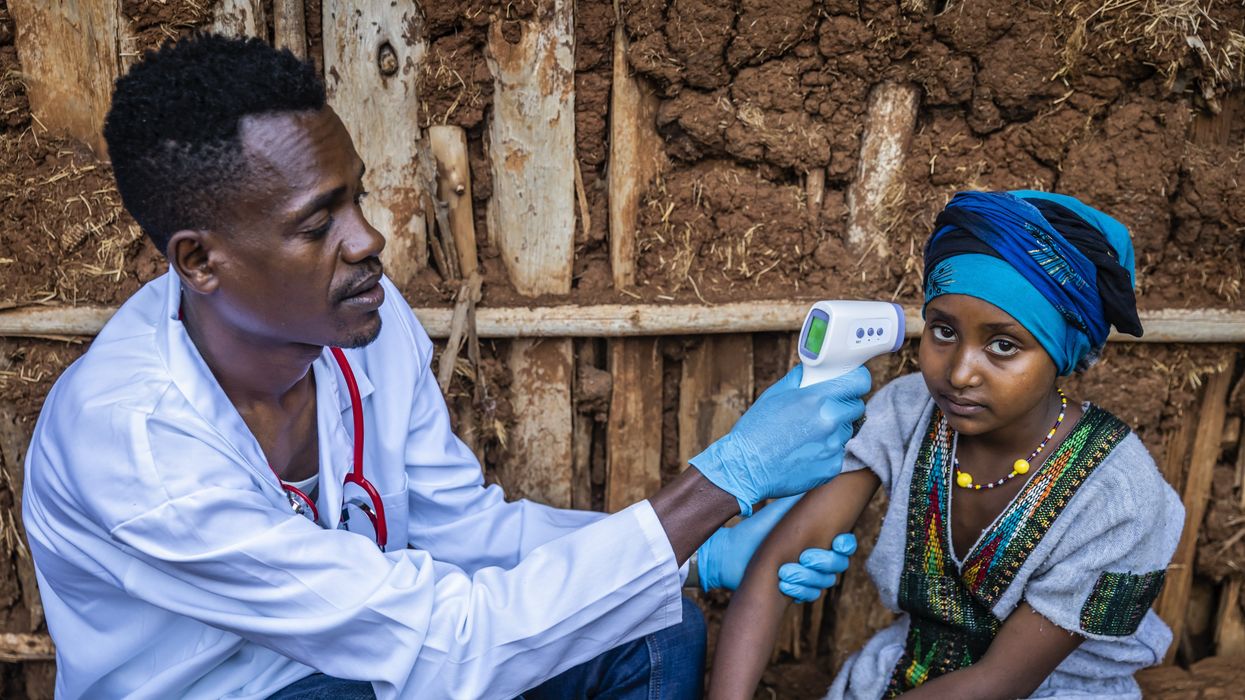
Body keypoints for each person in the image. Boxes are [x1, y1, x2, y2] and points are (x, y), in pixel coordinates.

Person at [21, 34, 871, 700]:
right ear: (199, 260)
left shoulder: (363, 329)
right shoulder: (136, 444)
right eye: (318, 224)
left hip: (364, 668)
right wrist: (723, 480)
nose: (367, 239)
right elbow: (442, 642)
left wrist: (699, 555)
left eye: (355, 195)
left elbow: (467, 536)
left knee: (647, 625)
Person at [708, 190, 1184, 699]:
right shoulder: (907, 412)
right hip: (899, 676)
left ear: (1063, 352)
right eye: (943, 331)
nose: (959, 373)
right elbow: (779, 559)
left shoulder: (1122, 497)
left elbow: (1001, 681)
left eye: (1004, 345)